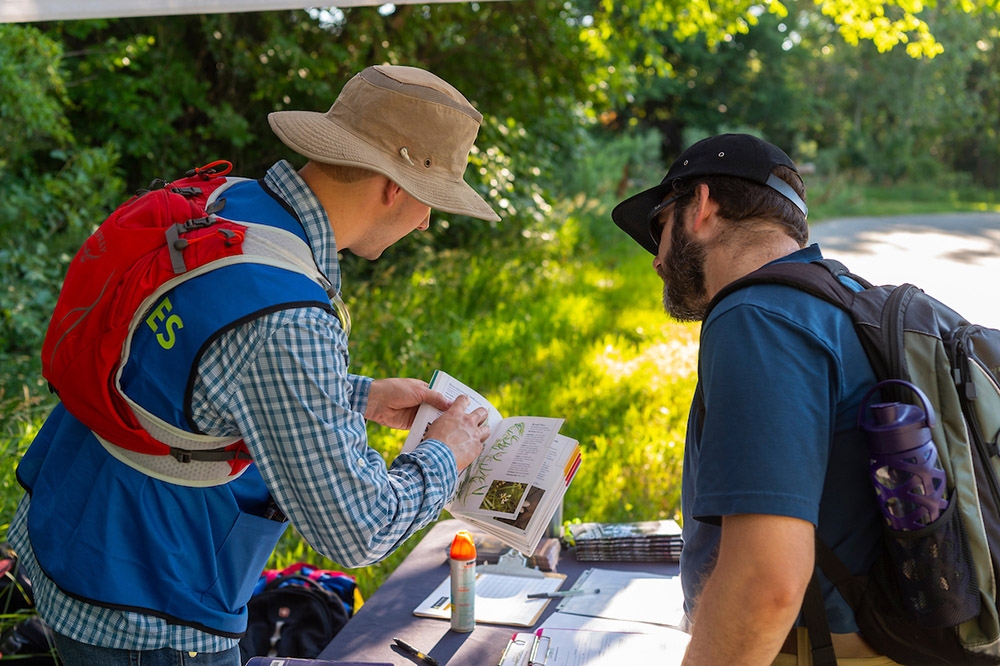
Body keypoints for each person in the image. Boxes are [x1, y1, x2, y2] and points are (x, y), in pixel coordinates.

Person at [9, 64, 500, 666]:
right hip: (148, 604)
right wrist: (445, 454)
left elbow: (195, 366)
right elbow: (354, 527)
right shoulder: (289, 315)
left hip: (71, 521)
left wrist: (358, 396)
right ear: (392, 186)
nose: (427, 222)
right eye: (430, 201)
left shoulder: (228, 202)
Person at [611, 133, 902, 666]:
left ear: (699, 206)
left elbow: (765, 585)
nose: (656, 259)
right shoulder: (843, 300)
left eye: (660, 228)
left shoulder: (756, 316)